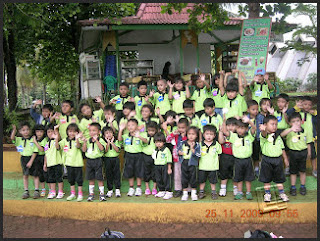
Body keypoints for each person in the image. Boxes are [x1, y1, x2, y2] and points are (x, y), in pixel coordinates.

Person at [222, 117, 256, 200]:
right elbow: (225, 131)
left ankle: (248, 192)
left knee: (248, 178)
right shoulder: (233, 136)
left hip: (248, 160)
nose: (240, 130)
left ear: (246, 129)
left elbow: (254, 128)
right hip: (237, 160)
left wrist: (249, 121)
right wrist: (224, 120)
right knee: (238, 177)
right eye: (238, 128)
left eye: (242, 128)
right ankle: (239, 192)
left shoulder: (249, 136)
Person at [259, 115, 290, 202]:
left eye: (276, 124)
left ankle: (281, 193)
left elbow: (282, 148)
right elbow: (263, 134)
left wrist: (285, 159)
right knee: (266, 178)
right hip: (267, 160)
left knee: (279, 178)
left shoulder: (278, 136)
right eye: (272, 124)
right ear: (265, 125)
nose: (274, 126)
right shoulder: (263, 136)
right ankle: (267, 193)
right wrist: (263, 129)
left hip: (278, 160)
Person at [281, 112, 312, 196]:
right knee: (293, 171)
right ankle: (293, 187)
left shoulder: (305, 131)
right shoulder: (289, 131)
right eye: (293, 122)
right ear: (290, 123)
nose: (296, 123)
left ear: (301, 121)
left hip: (303, 152)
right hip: (293, 153)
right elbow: (281, 135)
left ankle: (302, 186)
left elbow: (308, 142)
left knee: (302, 171)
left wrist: (309, 153)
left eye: (298, 121)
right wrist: (291, 129)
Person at [118, 118, 148, 197]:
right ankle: (131, 188)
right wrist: (120, 130)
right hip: (128, 155)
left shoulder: (141, 134)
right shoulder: (125, 136)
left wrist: (139, 136)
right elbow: (119, 140)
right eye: (128, 125)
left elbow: (146, 141)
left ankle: (138, 188)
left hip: (138, 155)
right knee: (129, 172)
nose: (130, 127)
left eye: (132, 125)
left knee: (139, 172)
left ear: (137, 126)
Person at [11, 122, 40, 199]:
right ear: (20, 131)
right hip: (24, 158)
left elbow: (35, 151)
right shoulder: (19, 139)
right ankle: (26, 191)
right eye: (23, 130)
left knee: (35, 175)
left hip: (33, 158)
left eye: (27, 129)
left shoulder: (33, 139)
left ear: (30, 130)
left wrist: (31, 161)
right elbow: (12, 138)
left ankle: (36, 190)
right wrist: (14, 130)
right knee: (25, 175)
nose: (26, 131)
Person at [81, 123, 107, 201]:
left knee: (100, 178)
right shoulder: (88, 140)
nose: (92, 132)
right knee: (91, 178)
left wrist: (96, 141)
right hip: (89, 161)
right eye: (90, 131)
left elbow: (102, 149)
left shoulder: (101, 139)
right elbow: (84, 150)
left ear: (99, 132)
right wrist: (85, 142)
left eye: (94, 130)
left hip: (98, 161)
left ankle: (102, 194)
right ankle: (91, 194)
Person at [59, 123, 84, 202]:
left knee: (79, 180)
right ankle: (72, 194)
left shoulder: (79, 139)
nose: (72, 133)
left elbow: (78, 146)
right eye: (70, 131)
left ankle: (80, 194)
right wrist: (56, 138)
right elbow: (57, 147)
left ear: (77, 132)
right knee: (71, 179)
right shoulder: (64, 141)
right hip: (68, 163)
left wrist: (77, 138)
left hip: (78, 163)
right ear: (67, 132)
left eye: (74, 131)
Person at [166, 118, 189, 198]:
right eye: (179, 127)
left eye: (183, 128)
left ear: (187, 128)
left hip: (186, 158)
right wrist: (173, 133)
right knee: (177, 175)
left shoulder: (189, 136)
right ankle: (178, 189)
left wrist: (184, 136)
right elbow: (167, 140)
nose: (181, 129)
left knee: (187, 174)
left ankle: (187, 189)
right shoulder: (176, 135)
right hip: (177, 159)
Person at [198, 125, 222, 200]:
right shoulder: (200, 145)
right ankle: (201, 191)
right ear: (203, 134)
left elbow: (219, 155)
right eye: (207, 134)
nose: (209, 136)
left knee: (213, 181)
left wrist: (216, 163)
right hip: (202, 166)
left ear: (215, 135)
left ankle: (213, 192)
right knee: (202, 180)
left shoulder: (217, 144)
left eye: (211, 134)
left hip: (213, 167)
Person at [178, 126, 201, 201]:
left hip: (192, 163)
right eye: (189, 134)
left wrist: (192, 149)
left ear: (196, 135)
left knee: (193, 177)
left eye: (193, 134)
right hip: (184, 162)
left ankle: (194, 193)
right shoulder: (182, 143)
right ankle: (185, 193)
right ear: (186, 135)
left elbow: (198, 155)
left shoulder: (197, 145)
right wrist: (179, 153)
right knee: (184, 178)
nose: (191, 136)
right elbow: (178, 150)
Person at [42, 124, 64, 199]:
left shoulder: (57, 141)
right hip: (50, 164)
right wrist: (45, 164)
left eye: (52, 131)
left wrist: (56, 136)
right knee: (51, 178)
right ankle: (53, 191)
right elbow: (46, 154)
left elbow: (58, 147)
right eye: (48, 132)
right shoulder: (46, 144)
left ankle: (60, 192)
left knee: (59, 178)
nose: (50, 133)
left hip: (57, 162)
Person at [218, 117, 238, 197]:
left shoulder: (237, 135)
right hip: (224, 156)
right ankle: (223, 188)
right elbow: (221, 141)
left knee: (235, 173)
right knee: (224, 172)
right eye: (228, 125)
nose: (230, 127)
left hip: (235, 156)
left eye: (233, 125)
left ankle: (235, 188)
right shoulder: (223, 134)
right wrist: (220, 131)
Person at [246, 100, 265, 177]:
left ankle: (257, 168)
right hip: (248, 139)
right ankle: (250, 169)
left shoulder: (261, 117)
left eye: (257, 109)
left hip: (258, 139)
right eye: (253, 109)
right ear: (248, 110)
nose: (255, 111)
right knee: (249, 155)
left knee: (257, 154)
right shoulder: (246, 118)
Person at [300, 96, 317, 178]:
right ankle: (299, 170)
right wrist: (296, 107)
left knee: (313, 155)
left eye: (309, 105)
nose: (307, 106)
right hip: (300, 139)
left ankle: (314, 170)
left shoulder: (312, 115)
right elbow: (289, 114)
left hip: (310, 139)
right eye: (305, 104)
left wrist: (315, 113)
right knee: (300, 155)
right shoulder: (298, 114)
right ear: (301, 104)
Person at [102, 126, 122, 198]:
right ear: (104, 135)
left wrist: (112, 143)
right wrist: (108, 143)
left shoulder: (116, 141)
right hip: (107, 159)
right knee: (108, 174)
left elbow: (117, 150)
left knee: (117, 174)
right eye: (107, 133)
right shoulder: (103, 142)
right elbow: (105, 151)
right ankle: (110, 189)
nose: (109, 134)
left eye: (110, 132)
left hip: (115, 159)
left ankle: (117, 189)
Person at [29, 124, 48, 197]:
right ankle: (43, 189)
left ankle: (50, 189)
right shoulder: (33, 139)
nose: (39, 133)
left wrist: (35, 142)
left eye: (41, 131)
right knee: (39, 174)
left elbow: (42, 149)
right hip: (36, 157)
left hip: (44, 157)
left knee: (46, 173)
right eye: (37, 131)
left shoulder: (45, 139)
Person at [153, 132, 173, 200]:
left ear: (164, 142)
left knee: (166, 179)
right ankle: (161, 190)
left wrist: (169, 168)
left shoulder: (166, 150)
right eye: (156, 142)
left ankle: (168, 191)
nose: (158, 144)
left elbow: (169, 159)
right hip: (157, 166)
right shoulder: (155, 150)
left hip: (164, 166)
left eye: (160, 142)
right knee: (159, 179)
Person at [141, 121, 159, 195]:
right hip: (145, 156)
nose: (151, 132)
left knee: (155, 172)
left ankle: (154, 188)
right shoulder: (144, 135)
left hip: (155, 156)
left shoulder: (158, 136)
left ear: (156, 130)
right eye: (149, 130)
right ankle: (147, 188)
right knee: (146, 172)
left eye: (153, 131)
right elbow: (144, 142)